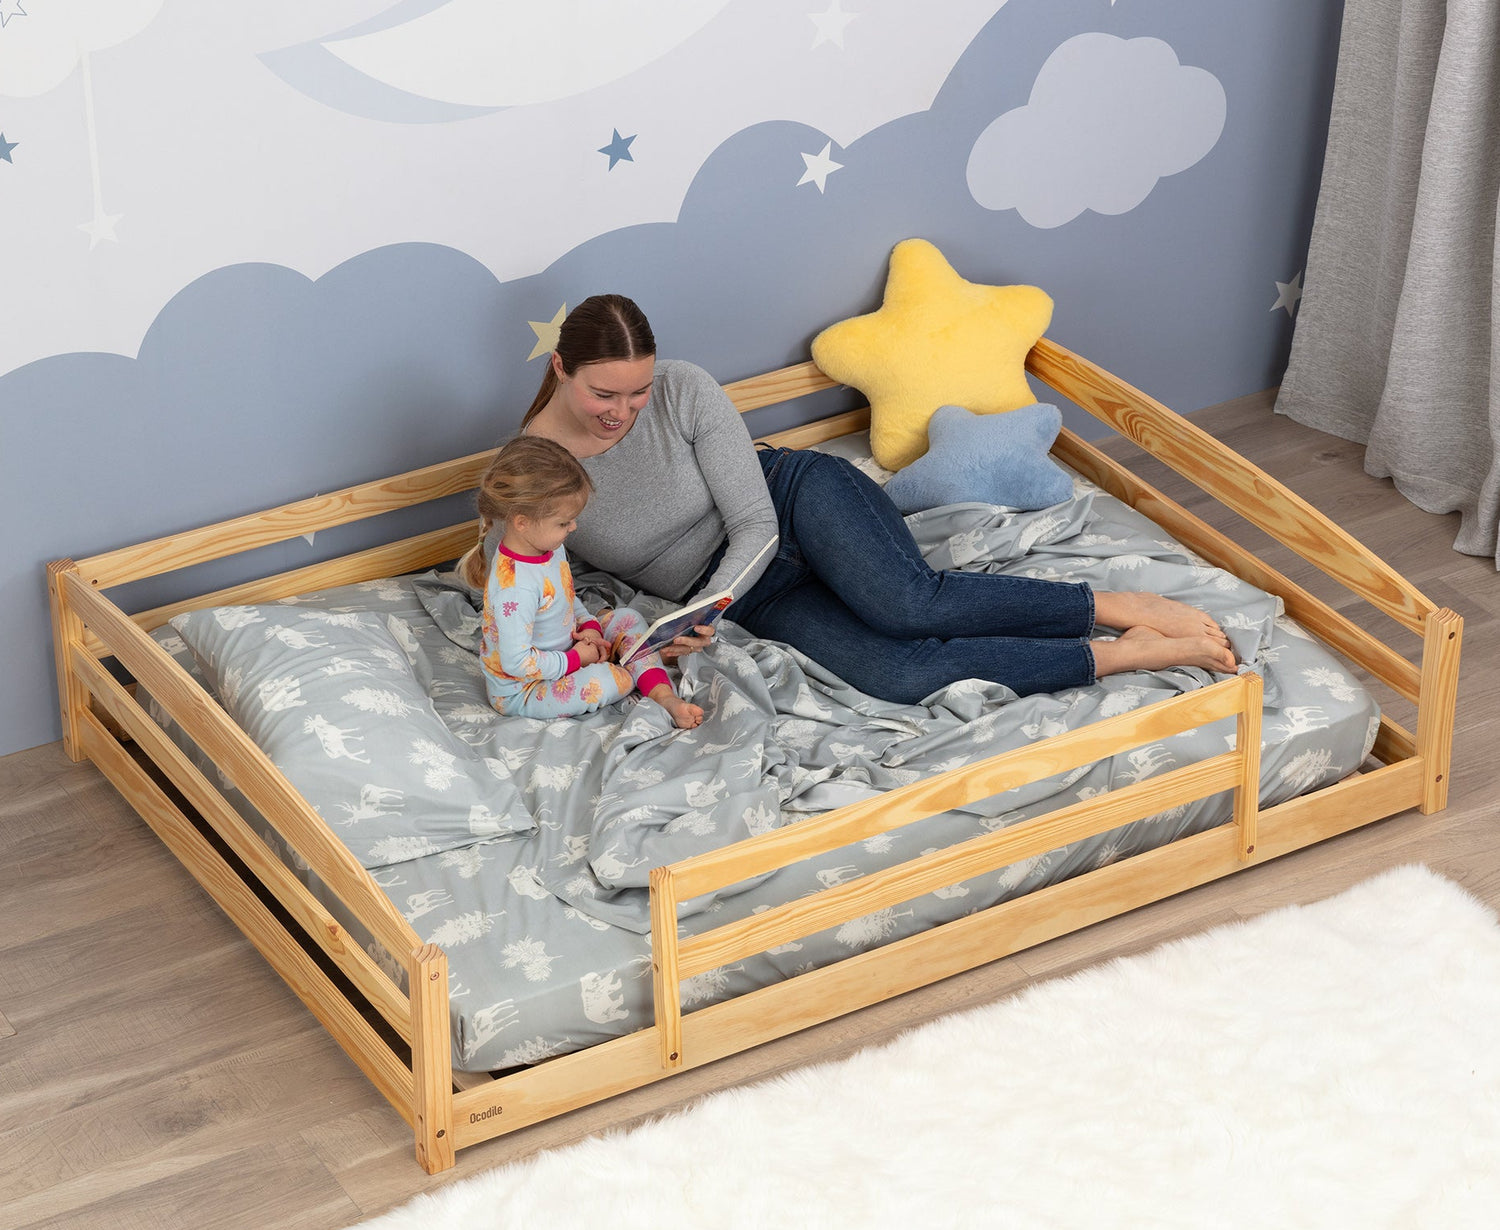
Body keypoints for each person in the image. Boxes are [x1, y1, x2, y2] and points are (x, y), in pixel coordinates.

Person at [511, 294, 1237, 707]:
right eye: (604, 393)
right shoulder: (530, 472)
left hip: (794, 506)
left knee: (907, 606)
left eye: (637, 391)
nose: (624, 410)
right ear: (560, 370)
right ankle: (1120, 656)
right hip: (751, 597)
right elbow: (521, 580)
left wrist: (712, 605)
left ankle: (1113, 607)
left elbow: (754, 522)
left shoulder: (684, 388)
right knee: (897, 674)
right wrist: (632, 629)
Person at [459, 436, 704, 729]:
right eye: (564, 523)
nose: (573, 527)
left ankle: (667, 698)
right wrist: (576, 660)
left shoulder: (546, 546)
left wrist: (587, 625)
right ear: (522, 522)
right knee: (609, 680)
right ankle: (637, 667)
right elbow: (517, 663)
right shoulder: (516, 588)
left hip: (569, 648)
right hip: (524, 688)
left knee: (628, 618)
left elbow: (563, 594)